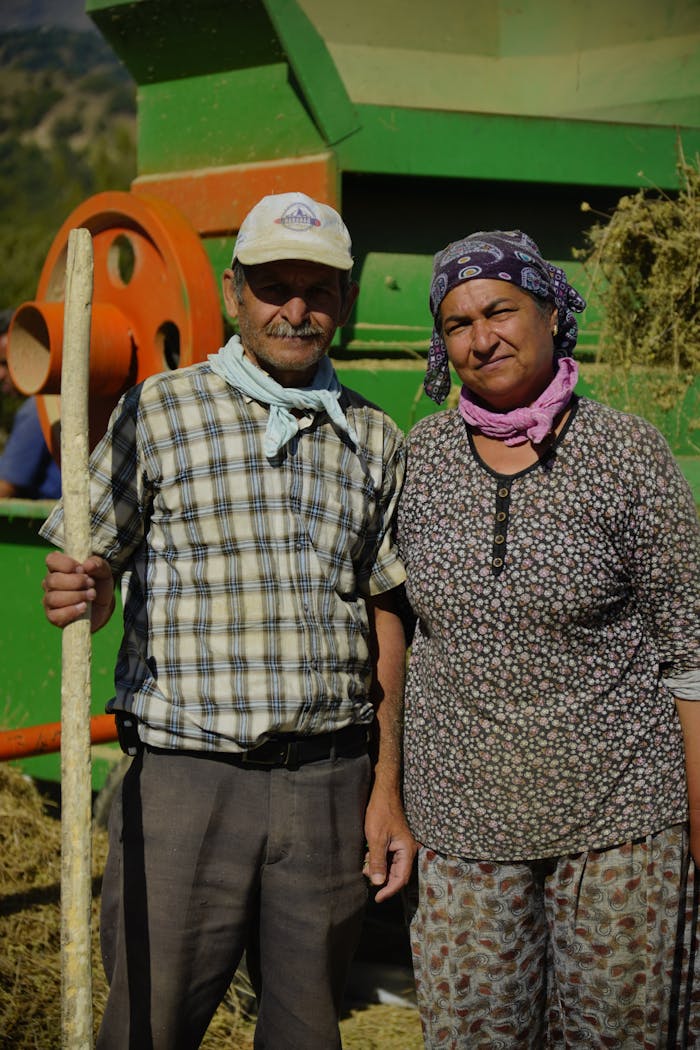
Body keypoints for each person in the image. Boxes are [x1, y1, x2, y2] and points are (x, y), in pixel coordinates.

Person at [40, 191, 416, 1050]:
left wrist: (384, 786)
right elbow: (89, 573)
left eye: (318, 289)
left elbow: (384, 614)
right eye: (274, 286)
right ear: (233, 290)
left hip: (328, 787)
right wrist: (82, 597)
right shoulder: (158, 412)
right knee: (149, 1023)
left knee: (306, 1030)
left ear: (345, 301)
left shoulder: (375, 436)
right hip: (185, 785)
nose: (296, 308)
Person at [397, 230, 700, 1047]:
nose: (480, 337)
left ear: (551, 313)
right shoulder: (419, 460)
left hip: (621, 828)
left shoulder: (626, 453)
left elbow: (692, 650)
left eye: (499, 310)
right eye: (456, 323)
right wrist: (385, 794)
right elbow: (389, 623)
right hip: (461, 828)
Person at [0, 307, 61, 499]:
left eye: (5, 363)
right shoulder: (57, 401)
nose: (0, 375)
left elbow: (4, 489)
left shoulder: (36, 409)